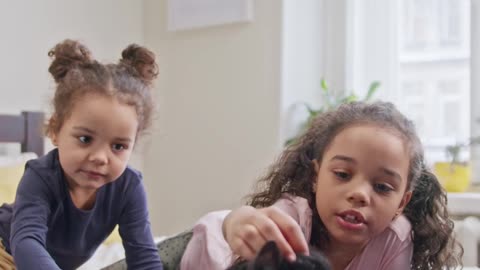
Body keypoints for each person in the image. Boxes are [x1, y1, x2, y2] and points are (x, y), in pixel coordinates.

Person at [180, 101, 463, 270]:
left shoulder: (395, 238)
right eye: (342, 174)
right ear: (316, 177)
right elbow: (206, 248)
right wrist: (234, 222)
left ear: (402, 202)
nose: (359, 194)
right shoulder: (292, 218)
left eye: (383, 187)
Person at [0, 39, 163, 269]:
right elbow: (27, 242)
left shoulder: (129, 187)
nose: (100, 157)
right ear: (55, 130)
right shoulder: (41, 176)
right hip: (7, 254)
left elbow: (143, 257)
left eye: (118, 146)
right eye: (86, 139)